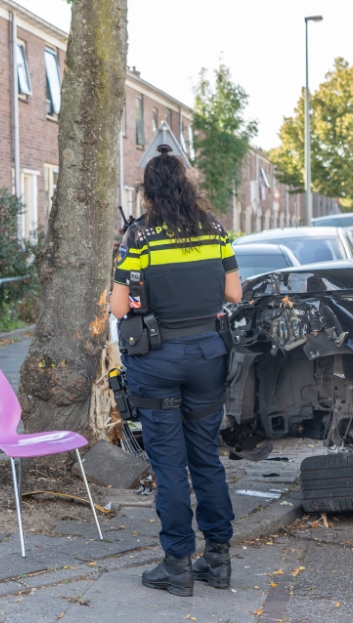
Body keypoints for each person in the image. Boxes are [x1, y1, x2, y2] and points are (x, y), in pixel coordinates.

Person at [110, 145, 242, 597]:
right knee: (206, 456)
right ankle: (219, 561)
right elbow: (234, 293)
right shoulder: (214, 229)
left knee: (169, 463)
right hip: (208, 352)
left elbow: (117, 305)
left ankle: (177, 565)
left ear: (148, 191)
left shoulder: (138, 238)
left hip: (158, 358)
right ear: (186, 185)